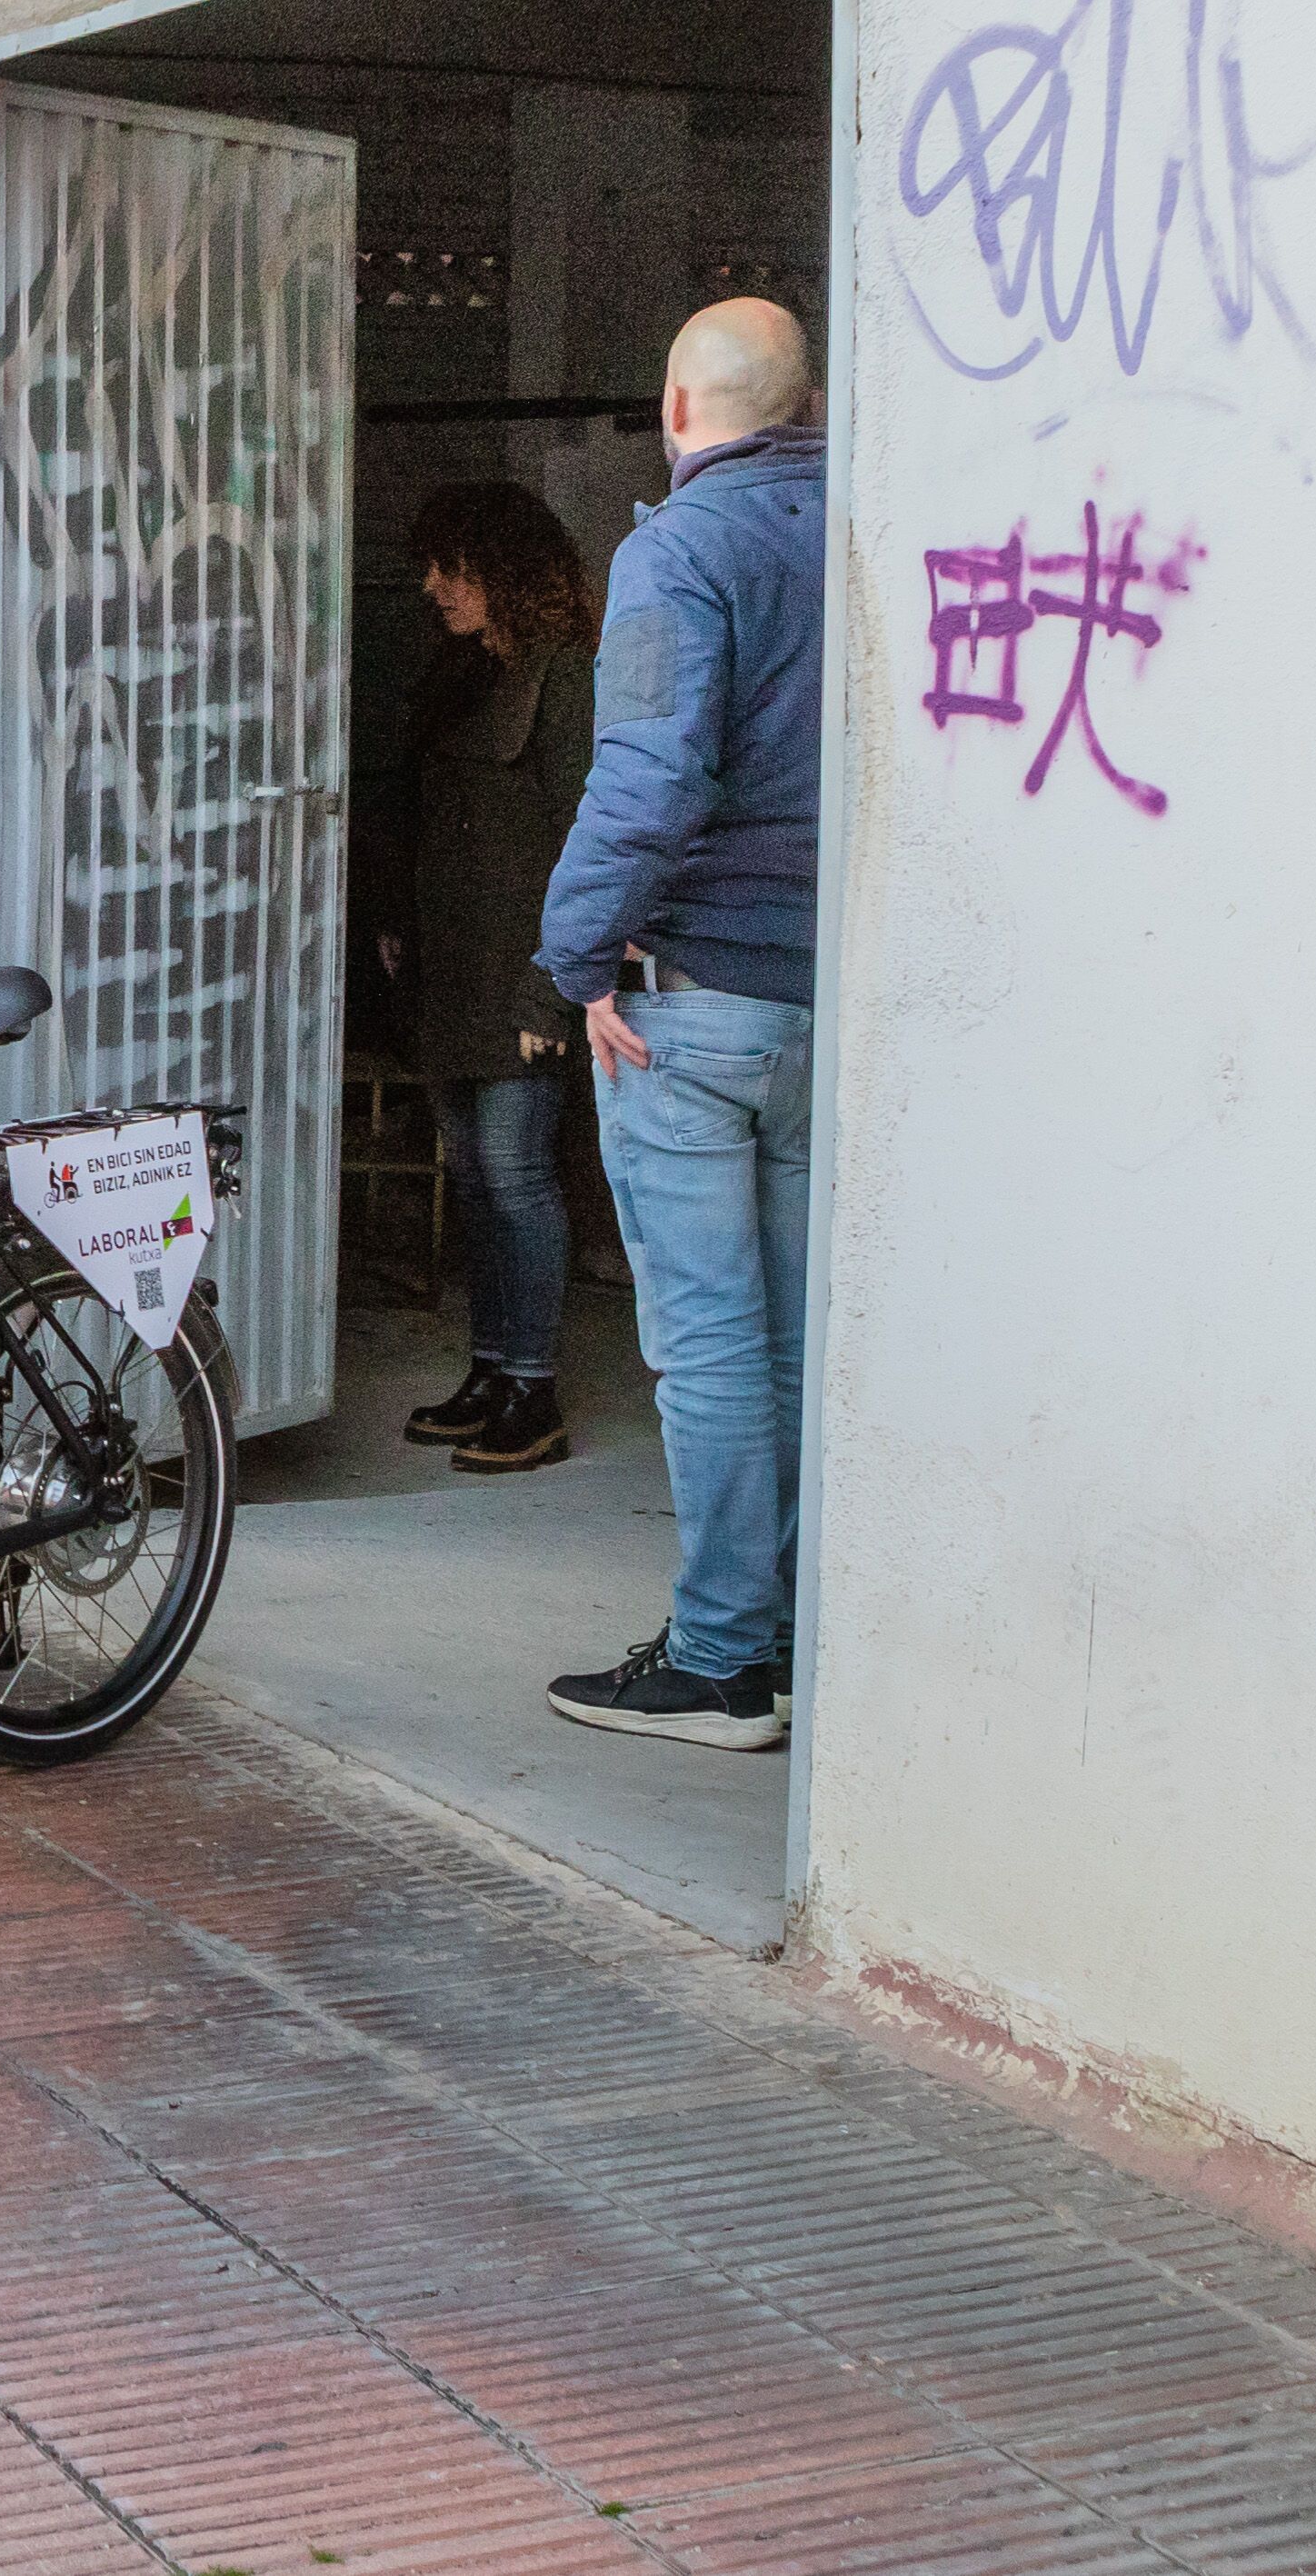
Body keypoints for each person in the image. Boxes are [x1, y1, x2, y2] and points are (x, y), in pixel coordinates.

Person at [531, 304, 824, 1748]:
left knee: (708, 1349)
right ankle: (791, 1640)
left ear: (673, 404)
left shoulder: (682, 548)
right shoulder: (869, 525)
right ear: (807, 401)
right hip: (826, 1005)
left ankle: (720, 1660)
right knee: (791, 1341)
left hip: (694, 1007)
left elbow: (648, 779)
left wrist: (576, 957)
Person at [384, 479, 601, 1473]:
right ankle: (491, 1366)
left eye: (453, 569)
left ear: (503, 572)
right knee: (472, 1174)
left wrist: (550, 987)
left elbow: (584, 838)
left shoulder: (567, 677)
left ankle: (533, 1387)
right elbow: (414, 814)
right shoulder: (458, 673)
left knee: (517, 1175)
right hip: (448, 971)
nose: (435, 587)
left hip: (519, 977)